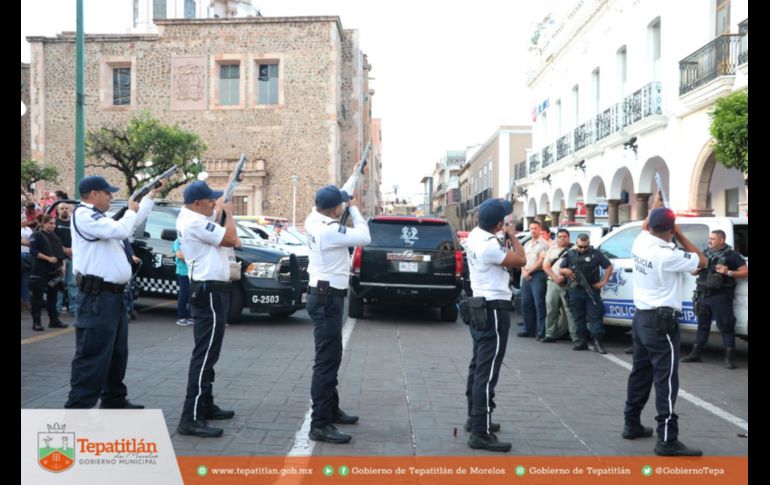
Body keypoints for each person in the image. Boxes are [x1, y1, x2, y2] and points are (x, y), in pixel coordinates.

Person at [64, 175, 158, 409]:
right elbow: (121, 228)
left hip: (112, 296)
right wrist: (130, 209)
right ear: (94, 194)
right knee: (92, 356)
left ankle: (114, 399)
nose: (111, 196)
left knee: (117, 354)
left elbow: (130, 223)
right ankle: (77, 412)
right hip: (96, 297)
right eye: (107, 193)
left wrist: (149, 197)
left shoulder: (99, 217)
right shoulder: (84, 215)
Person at [623, 202, 707, 456]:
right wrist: (679, 233)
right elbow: (701, 261)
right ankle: (667, 438)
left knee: (640, 373)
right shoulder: (667, 254)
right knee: (666, 379)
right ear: (669, 229)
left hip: (642, 318)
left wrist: (659, 210)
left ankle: (632, 422)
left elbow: (647, 223)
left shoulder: (641, 242)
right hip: (662, 323)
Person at [305, 184, 371, 444]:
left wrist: (349, 184)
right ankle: (319, 423)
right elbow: (364, 237)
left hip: (322, 295)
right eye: (341, 204)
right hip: (327, 298)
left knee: (331, 356)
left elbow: (331, 198)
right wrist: (354, 208)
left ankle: (330, 409)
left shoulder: (313, 218)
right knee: (326, 361)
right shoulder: (330, 230)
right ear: (336, 209)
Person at [176, 181, 241, 438]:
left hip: (210, 289)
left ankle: (205, 404)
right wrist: (230, 212)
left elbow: (214, 214)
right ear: (197, 203)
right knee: (204, 356)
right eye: (210, 201)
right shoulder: (194, 221)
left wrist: (228, 189)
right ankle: (190, 417)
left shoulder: (192, 215)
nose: (214, 204)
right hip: (209, 291)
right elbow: (232, 239)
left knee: (209, 353)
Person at [463, 199, 526, 452]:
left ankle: (475, 418)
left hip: (480, 305)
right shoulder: (490, 246)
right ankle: (481, 432)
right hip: (493, 309)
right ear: (499, 224)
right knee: (487, 373)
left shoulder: (475, 236)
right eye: (505, 221)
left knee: (478, 365)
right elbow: (521, 260)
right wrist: (512, 235)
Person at [681, 230, 748, 369]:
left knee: (726, 327)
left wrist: (728, 272)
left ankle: (730, 359)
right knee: (702, 325)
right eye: (709, 238)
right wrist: (696, 269)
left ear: (721, 240)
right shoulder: (705, 253)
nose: (709, 241)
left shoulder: (732, 255)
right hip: (703, 295)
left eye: (712, 239)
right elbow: (693, 271)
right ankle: (696, 354)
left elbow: (745, 271)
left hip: (720, 297)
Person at [559, 233, 613, 353]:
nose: (583, 249)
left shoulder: (596, 254)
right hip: (575, 290)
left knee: (595, 317)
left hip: (591, 290)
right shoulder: (571, 254)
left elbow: (608, 266)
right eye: (580, 246)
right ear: (576, 244)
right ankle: (582, 341)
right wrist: (566, 270)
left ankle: (598, 342)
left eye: (585, 247)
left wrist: (603, 281)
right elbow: (561, 268)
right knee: (578, 317)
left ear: (589, 244)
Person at [28, 214, 68, 331]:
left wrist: (63, 266)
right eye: (50, 223)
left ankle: (54, 320)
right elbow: (33, 251)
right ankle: (36, 322)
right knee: (37, 298)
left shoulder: (55, 237)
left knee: (53, 297)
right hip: (40, 271)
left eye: (54, 223)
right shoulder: (37, 235)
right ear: (43, 224)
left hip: (54, 272)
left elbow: (61, 253)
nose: (52, 225)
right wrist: (48, 258)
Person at [541, 229, 577, 343]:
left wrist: (564, 276)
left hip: (569, 283)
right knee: (551, 308)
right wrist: (556, 277)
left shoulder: (575, 249)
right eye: (560, 236)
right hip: (553, 282)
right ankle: (550, 334)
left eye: (565, 236)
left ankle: (575, 337)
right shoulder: (552, 249)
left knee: (569, 310)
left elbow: (577, 266)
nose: (562, 238)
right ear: (556, 238)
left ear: (569, 238)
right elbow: (546, 266)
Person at [518, 220, 548, 339]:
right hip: (526, 275)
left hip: (538, 275)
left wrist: (529, 272)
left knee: (539, 304)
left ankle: (541, 332)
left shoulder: (544, 244)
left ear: (540, 229)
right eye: (531, 228)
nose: (533, 231)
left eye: (535, 228)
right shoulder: (527, 244)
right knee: (526, 303)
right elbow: (522, 259)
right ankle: (528, 329)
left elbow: (541, 261)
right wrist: (524, 271)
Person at [54, 203, 79, 317]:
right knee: (59, 283)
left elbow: (78, 238)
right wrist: (63, 249)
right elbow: (53, 240)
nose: (64, 210)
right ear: (58, 211)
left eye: (66, 208)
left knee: (72, 284)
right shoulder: (54, 223)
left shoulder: (73, 223)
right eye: (62, 209)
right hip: (60, 258)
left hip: (72, 257)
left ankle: (74, 309)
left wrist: (73, 250)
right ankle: (56, 309)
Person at [172, 237, 193, 326]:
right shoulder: (178, 241)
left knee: (193, 295)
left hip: (194, 272)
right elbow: (179, 255)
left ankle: (192, 317)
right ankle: (182, 318)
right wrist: (193, 260)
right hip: (183, 272)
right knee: (184, 294)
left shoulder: (193, 240)